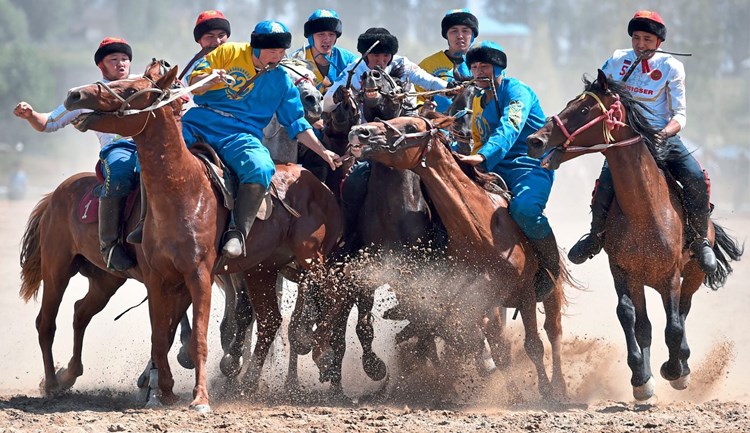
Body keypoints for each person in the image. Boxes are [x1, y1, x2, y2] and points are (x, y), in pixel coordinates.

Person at [568, 10, 717, 274]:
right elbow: (597, 93)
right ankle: (595, 237)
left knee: (695, 177)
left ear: (659, 42)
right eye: (636, 38)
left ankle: (700, 240)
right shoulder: (617, 59)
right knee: (604, 186)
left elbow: (680, 115)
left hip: (662, 138)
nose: (640, 45)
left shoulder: (671, 67)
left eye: (647, 39)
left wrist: (664, 133)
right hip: (624, 141)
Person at [182, 20, 341, 259]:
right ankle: (141, 220)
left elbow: (296, 122)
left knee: (262, 167)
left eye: (281, 52)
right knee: (154, 153)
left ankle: (237, 233)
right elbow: (194, 82)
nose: (277, 58)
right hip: (199, 123)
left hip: (240, 135)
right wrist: (210, 79)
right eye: (272, 52)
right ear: (255, 48)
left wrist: (323, 152)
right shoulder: (228, 52)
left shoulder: (281, 80)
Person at [13, 37, 138, 271]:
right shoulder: (89, 96)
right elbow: (48, 123)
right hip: (118, 151)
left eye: (125, 59)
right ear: (101, 66)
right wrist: (30, 115)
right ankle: (110, 245)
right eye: (114, 60)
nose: (121, 64)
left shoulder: (144, 85)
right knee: (120, 176)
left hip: (150, 146)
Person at [326, 27, 448, 248]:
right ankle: (349, 238)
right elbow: (326, 103)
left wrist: (448, 88)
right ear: (365, 56)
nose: (380, 61)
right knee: (353, 184)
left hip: (408, 140)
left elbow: (429, 81)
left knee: (436, 181)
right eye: (375, 56)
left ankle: (442, 234)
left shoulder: (402, 64)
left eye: (385, 56)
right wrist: (337, 95)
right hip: (370, 144)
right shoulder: (354, 71)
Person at [457, 41, 558, 302]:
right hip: (492, 164)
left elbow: (509, 127)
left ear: (499, 67)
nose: (479, 71)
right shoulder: (478, 97)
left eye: (485, 66)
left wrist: (482, 156)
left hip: (529, 166)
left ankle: (550, 268)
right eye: (475, 66)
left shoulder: (517, 91)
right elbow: (478, 136)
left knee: (525, 210)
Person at [128, 10, 233, 244]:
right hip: (197, 125)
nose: (216, 42)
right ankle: (144, 219)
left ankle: (240, 229)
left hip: (236, 126)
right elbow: (181, 99)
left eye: (221, 35)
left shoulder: (239, 59)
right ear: (199, 40)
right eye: (209, 37)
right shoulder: (193, 67)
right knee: (148, 160)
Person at [417, 8, 478, 113]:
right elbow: (415, 97)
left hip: (475, 127)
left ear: (472, 35)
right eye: (454, 31)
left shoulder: (484, 64)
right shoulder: (428, 65)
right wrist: (423, 108)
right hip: (438, 126)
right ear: (446, 35)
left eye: (465, 30)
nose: (460, 36)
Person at [293, 9, 357, 96]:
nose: (327, 39)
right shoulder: (295, 62)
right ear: (311, 37)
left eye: (331, 34)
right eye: (321, 34)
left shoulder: (350, 61)